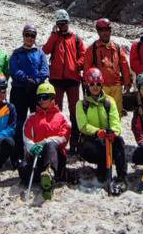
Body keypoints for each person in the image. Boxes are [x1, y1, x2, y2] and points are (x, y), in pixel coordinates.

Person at [76, 68, 127, 195]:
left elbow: (115, 121)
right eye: (92, 84)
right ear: (87, 85)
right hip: (89, 141)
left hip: (107, 138)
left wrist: (114, 132)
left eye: (98, 84)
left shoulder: (109, 101)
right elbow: (83, 125)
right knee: (98, 146)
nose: (95, 87)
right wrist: (97, 132)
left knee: (119, 141)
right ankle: (103, 171)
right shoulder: (81, 104)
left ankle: (121, 178)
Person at [42, 10, 85, 149]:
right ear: (57, 24)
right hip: (56, 79)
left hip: (73, 79)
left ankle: (74, 143)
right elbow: (45, 50)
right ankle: (56, 141)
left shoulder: (76, 38)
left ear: (68, 22)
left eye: (64, 23)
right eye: (60, 23)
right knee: (56, 110)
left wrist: (76, 65)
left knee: (74, 111)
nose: (62, 26)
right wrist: (53, 35)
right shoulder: (55, 37)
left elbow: (83, 55)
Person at [20, 82, 70, 199]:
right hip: (38, 157)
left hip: (56, 157)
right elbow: (27, 136)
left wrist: (46, 142)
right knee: (23, 169)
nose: (41, 100)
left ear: (52, 98)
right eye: (39, 98)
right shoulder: (32, 117)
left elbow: (64, 137)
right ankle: (48, 178)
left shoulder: (61, 117)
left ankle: (50, 173)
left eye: (44, 97)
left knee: (51, 145)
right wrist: (32, 147)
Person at [9, 25, 49, 159]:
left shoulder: (40, 53)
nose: (30, 38)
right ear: (23, 36)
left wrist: (36, 80)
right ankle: (18, 154)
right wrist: (26, 79)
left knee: (38, 120)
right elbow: (14, 69)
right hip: (20, 90)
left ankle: (37, 152)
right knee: (18, 121)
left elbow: (45, 70)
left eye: (32, 36)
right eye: (27, 35)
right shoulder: (17, 53)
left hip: (36, 91)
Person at [83, 19, 131, 114]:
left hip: (116, 86)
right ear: (98, 32)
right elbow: (87, 69)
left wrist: (127, 82)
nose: (105, 33)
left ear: (110, 31)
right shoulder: (92, 49)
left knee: (117, 113)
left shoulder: (117, 48)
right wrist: (88, 86)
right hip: (100, 87)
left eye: (107, 30)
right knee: (102, 114)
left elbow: (124, 65)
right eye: (102, 30)